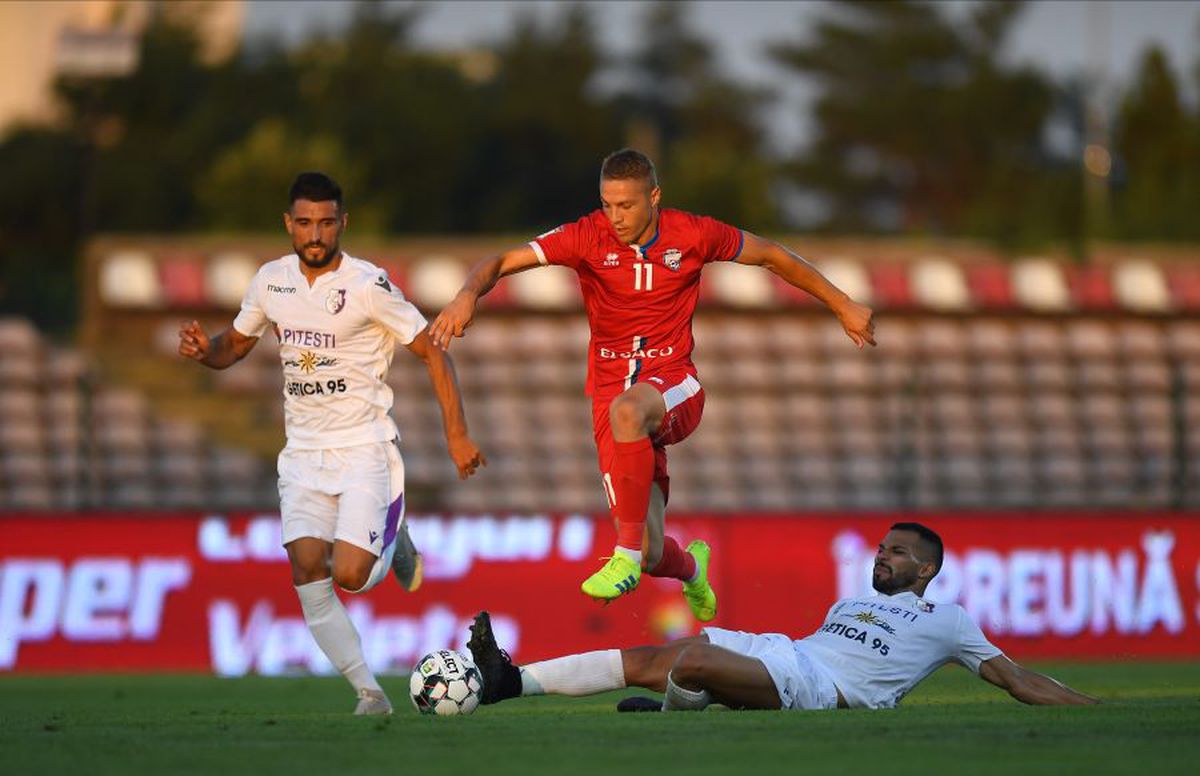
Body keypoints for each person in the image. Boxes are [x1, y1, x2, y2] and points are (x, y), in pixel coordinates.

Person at [430, 148, 876, 619]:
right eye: (607, 204)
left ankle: (619, 556)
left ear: (654, 197)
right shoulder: (586, 236)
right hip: (610, 398)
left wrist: (842, 303)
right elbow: (501, 261)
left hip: (674, 383)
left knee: (629, 416)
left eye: (626, 205)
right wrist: (465, 295)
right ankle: (691, 571)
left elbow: (769, 255)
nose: (615, 217)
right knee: (649, 549)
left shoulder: (694, 233)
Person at [179, 172, 485, 715]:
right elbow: (236, 345)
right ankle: (369, 692)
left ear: (343, 222)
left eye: (325, 222)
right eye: (304, 223)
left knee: (351, 575)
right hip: (302, 454)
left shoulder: (369, 285)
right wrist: (207, 350)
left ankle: (395, 544)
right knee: (305, 569)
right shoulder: (270, 282)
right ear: (288, 224)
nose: (314, 233)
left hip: (364, 447)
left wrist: (456, 434)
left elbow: (434, 352)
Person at [464, 523, 1099, 712]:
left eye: (898, 553)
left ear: (927, 570)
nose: (883, 556)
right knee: (658, 655)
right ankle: (506, 682)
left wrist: (1093, 709)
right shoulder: (850, 602)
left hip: (827, 691)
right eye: (881, 547)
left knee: (694, 663)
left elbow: (1016, 679)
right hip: (787, 653)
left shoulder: (950, 619)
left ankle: (684, 706)